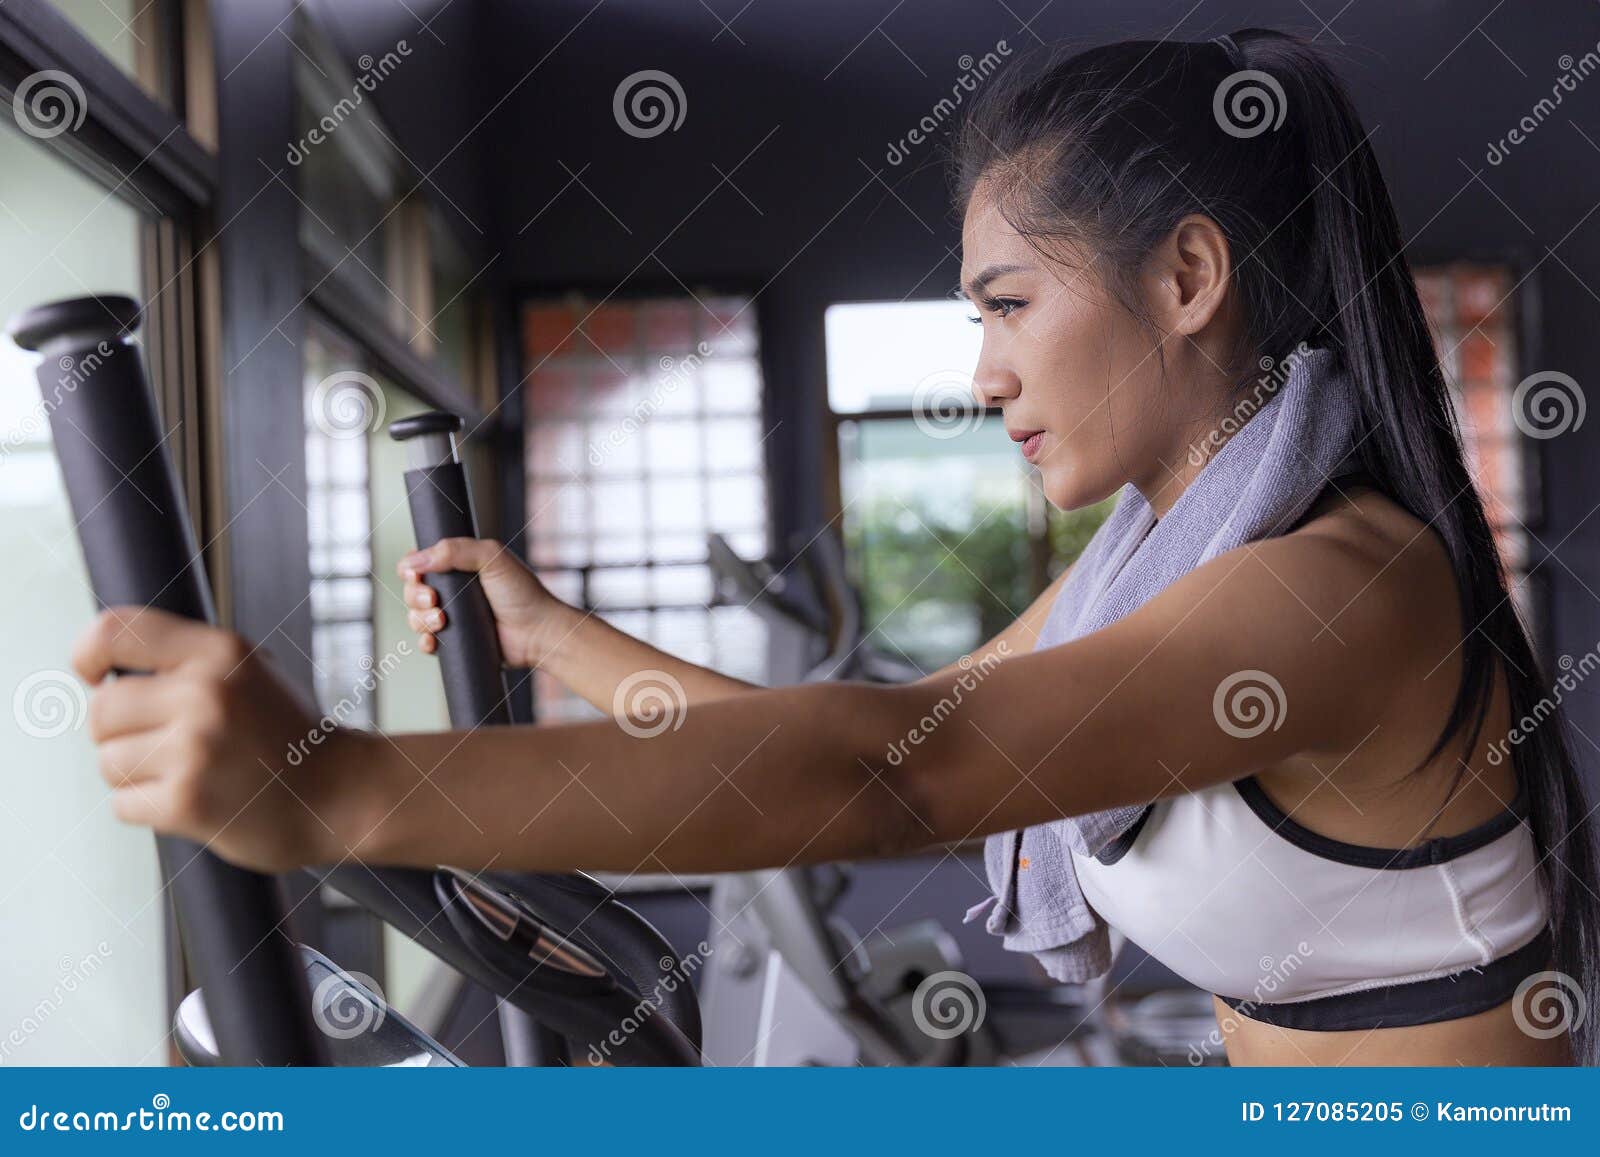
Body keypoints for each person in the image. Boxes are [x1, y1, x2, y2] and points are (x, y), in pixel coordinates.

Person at [71, 29, 1597, 1066]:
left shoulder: (1332, 590)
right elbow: (891, 751)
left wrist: (331, 784)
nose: (985, 371)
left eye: (1007, 304)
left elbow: (888, 774)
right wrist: (554, 643)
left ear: (1188, 272)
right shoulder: (1166, 555)